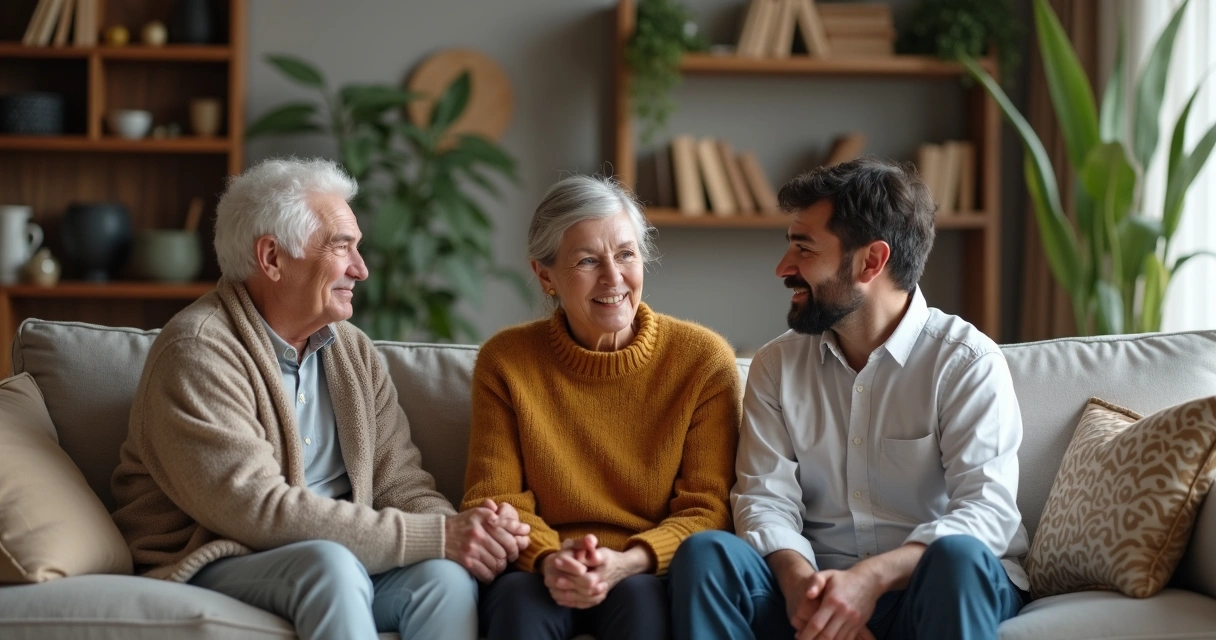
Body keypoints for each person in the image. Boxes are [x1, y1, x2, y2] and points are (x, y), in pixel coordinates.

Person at [110, 157, 529, 640]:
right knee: (329, 565)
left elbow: (401, 484)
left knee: (444, 578)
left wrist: (466, 534)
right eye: (341, 247)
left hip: (341, 557)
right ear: (272, 258)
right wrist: (437, 537)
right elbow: (256, 509)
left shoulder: (352, 351)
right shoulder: (198, 350)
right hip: (217, 556)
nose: (362, 269)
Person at [669, 157, 1030, 640]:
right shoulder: (776, 366)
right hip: (815, 587)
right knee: (707, 554)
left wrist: (870, 580)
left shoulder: (965, 362)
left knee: (959, 558)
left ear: (870, 262)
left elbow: (988, 512)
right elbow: (763, 498)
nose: (783, 268)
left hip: (932, 586)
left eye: (804, 248)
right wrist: (803, 586)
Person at [462, 175, 741, 640]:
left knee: (642, 604)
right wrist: (552, 559)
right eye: (588, 260)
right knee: (517, 603)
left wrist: (628, 561)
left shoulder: (702, 361)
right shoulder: (505, 362)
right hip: (539, 568)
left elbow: (711, 508)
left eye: (626, 254)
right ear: (545, 275)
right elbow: (495, 500)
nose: (614, 278)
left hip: (645, 570)